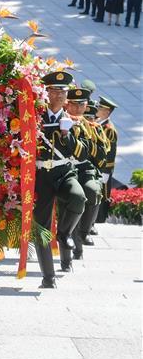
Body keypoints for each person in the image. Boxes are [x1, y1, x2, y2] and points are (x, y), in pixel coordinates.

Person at [34, 71, 86, 285]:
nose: (59, 95)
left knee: (78, 198)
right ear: (46, 93)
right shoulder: (35, 117)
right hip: (41, 176)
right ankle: (48, 275)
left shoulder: (73, 121)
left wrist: (68, 136)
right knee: (42, 226)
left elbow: (82, 155)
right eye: (54, 91)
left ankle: (64, 234)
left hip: (64, 172)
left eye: (63, 91)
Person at [64, 87, 108, 258]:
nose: (76, 108)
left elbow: (102, 158)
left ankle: (84, 231)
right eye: (73, 104)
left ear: (86, 106)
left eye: (81, 105)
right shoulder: (61, 121)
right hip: (64, 169)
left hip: (84, 169)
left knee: (92, 190)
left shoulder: (93, 128)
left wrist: (90, 148)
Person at [94, 97, 118, 222]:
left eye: (100, 108)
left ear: (107, 112)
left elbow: (111, 153)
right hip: (97, 165)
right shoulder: (98, 123)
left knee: (102, 194)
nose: (97, 109)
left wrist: (107, 171)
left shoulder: (109, 129)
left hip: (104, 168)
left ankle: (99, 219)